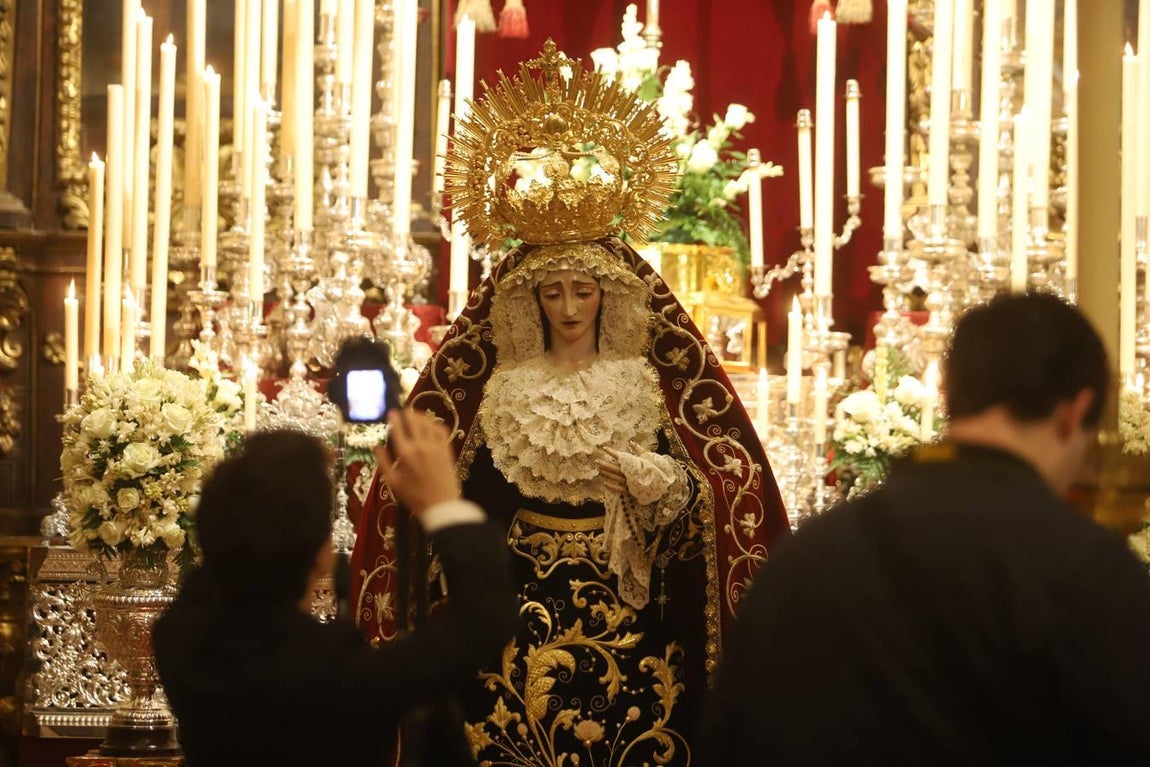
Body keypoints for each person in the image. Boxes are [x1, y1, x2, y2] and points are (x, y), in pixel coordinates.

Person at [350, 43, 791, 767]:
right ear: (529, 301)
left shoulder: (645, 380)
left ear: (608, 294)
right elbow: (473, 491)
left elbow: (722, 485)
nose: (568, 306)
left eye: (582, 291)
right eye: (551, 292)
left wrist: (667, 488)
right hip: (512, 604)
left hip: (634, 609)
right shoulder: (504, 387)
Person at [699, 291, 1150, 765]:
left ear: (950, 394)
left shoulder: (804, 555)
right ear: (1075, 411)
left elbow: (733, 737)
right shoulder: (1084, 568)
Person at [152, 413, 519, 766]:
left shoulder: (181, 641)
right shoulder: (342, 674)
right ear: (323, 557)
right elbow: (485, 619)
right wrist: (443, 504)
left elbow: (213, 567)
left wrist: (261, 479)